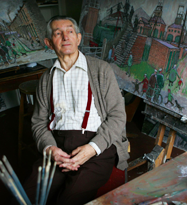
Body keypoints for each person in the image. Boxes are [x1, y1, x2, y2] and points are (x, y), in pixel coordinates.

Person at [23, 16, 129, 205]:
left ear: (78, 38)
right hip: (58, 146)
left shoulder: (101, 70)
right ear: (49, 43)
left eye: (70, 31)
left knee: (69, 199)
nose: (65, 37)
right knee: (27, 197)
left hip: (96, 146)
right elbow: (38, 123)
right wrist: (50, 149)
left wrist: (92, 148)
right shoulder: (46, 79)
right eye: (58, 33)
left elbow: (117, 116)